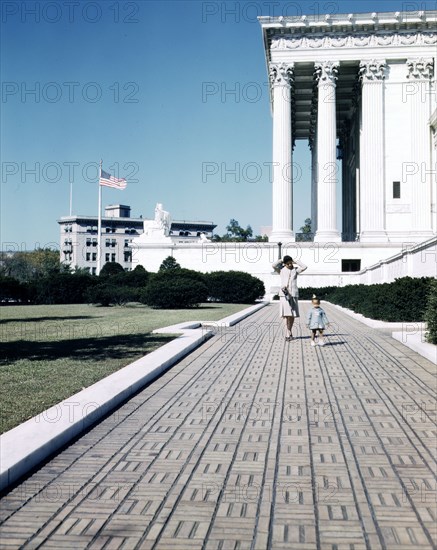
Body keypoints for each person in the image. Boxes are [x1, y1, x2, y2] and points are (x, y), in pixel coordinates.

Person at [272, 255, 307, 341]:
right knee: (286, 315)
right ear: (284, 263)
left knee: (292, 315)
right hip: (284, 295)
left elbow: (305, 267)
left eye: (290, 263)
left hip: (294, 294)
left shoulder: (295, 270)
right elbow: (273, 265)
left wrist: (296, 261)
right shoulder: (281, 270)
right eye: (287, 263)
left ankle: (289, 331)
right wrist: (281, 260)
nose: (290, 265)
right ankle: (288, 333)